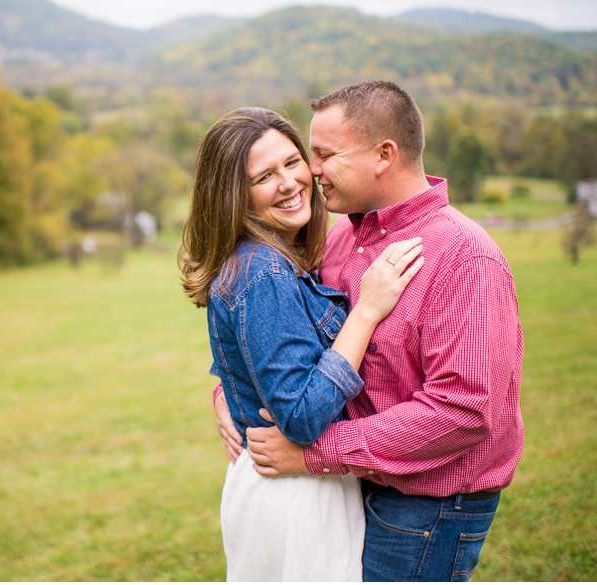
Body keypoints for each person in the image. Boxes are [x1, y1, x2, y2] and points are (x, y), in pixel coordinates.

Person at [213, 81, 525, 582]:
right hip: (360, 484)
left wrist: (316, 452)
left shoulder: (464, 257)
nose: (310, 172)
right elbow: (285, 338)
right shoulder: (342, 240)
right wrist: (233, 392)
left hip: (426, 504)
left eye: (323, 155)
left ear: (384, 155)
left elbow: (463, 411)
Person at [180, 106, 424, 581]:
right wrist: (366, 312)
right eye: (264, 176)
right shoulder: (264, 272)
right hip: (296, 495)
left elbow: (252, 356)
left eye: (293, 162)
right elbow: (301, 416)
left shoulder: (265, 262)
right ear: (235, 196)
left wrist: (228, 393)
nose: (290, 182)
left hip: (289, 487)